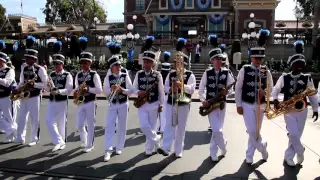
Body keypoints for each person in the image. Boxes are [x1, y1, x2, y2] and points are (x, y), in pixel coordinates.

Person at [272, 40, 318, 166]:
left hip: (302, 110)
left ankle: (288, 157)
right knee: (293, 133)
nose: (300, 66)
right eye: (297, 64)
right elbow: (275, 90)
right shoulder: (284, 77)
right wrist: (275, 100)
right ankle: (300, 150)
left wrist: (315, 109)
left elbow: (312, 94)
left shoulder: (307, 77)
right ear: (291, 65)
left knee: (296, 135)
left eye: (301, 64)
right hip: (288, 110)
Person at [235, 29, 273, 164]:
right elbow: (238, 88)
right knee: (251, 130)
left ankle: (249, 155)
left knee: (256, 130)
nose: (258, 61)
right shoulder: (244, 69)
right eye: (256, 58)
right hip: (246, 103)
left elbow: (271, 87)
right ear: (251, 57)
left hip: (261, 104)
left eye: (260, 59)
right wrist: (238, 105)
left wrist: (266, 93)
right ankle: (262, 148)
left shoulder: (265, 70)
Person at [157, 38, 196, 158]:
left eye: (179, 62)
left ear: (183, 63)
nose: (177, 65)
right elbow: (165, 88)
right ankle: (166, 148)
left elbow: (192, 89)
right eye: (176, 63)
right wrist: (171, 89)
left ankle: (178, 150)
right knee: (169, 125)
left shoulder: (190, 74)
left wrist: (182, 86)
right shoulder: (171, 74)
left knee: (181, 128)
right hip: (171, 102)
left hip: (184, 104)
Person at [198, 35, 235, 162]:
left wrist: (227, 92)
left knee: (217, 130)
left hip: (222, 104)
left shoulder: (227, 73)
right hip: (210, 104)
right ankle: (223, 147)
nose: (219, 61)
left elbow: (232, 89)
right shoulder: (206, 73)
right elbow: (201, 89)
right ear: (212, 61)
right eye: (216, 59)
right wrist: (203, 100)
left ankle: (215, 151)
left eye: (220, 58)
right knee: (216, 129)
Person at [132, 35, 164, 156]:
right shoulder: (139, 74)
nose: (146, 64)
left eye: (148, 62)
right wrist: (138, 92)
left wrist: (161, 104)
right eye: (145, 62)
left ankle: (149, 149)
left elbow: (161, 91)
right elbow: (133, 88)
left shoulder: (158, 75)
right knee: (144, 126)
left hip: (154, 103)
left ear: (152, 63)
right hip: (142, 104)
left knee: (152, 126)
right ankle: (156, 139)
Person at [14, 36, 48, 146]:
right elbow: (21, 81)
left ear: (34, 59)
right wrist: (17, 89)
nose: (27, 60)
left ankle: (34, 138)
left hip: (34, 96)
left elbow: (46, 84)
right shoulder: (24, 67)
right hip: (24, 96)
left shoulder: (40, 69)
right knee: (21, 117)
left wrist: (35, 84)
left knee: (34, 118)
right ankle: (20, 137)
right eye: (26, 58)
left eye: (29, 58)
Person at [103, 45, 132, 161]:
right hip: (112, 104)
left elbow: (131, 91)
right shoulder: (108, 77)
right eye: (117, 65)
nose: (119, 66)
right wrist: (111, 89)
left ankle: (119, 147)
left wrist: (122, 90)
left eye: (120, 65)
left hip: (124, 103)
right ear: (112, 67)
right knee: (109, 126)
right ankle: (108, 150)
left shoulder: (125, 76)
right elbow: (104, 91)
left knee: (122, 126)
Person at [74, 36, 103, 153]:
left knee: (90, 125)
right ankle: (85, 140)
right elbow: (76, 87)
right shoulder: (78, 74)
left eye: (85, 63)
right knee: (79, 125)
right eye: (82, 63)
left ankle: (90, 145)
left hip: (91, 102)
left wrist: (88, 89)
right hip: (81, 102)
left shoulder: (94, 74)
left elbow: (99, 90)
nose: (83, 65)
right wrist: (76, 92)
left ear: (90, 63)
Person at [46, 41, 73, 152]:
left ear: (62, 64)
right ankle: (59, 141)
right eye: (55, 64)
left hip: (62, 101)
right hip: (52, 101)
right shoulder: (51, 74)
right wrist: (49, 89)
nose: (56, 66)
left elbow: (69, 89)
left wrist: (59, 91)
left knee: (62, 123)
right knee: (48, 121)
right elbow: (48, 87)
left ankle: (61, 143)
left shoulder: (67, 75)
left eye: (58, 63)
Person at [0, 40, 17, 143]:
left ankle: (11, 136)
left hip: (7, 96)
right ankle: (11, 131)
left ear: (2, 61)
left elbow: (7, 83)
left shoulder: (9, 70)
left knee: (9, 117)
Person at [157, 51, 171, 134]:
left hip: (162, 94)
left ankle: (161, 127)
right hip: (166, 94)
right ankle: (163, 127)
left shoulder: (160, 75)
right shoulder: (169, 75)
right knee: (164, 112)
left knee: (161, 112)